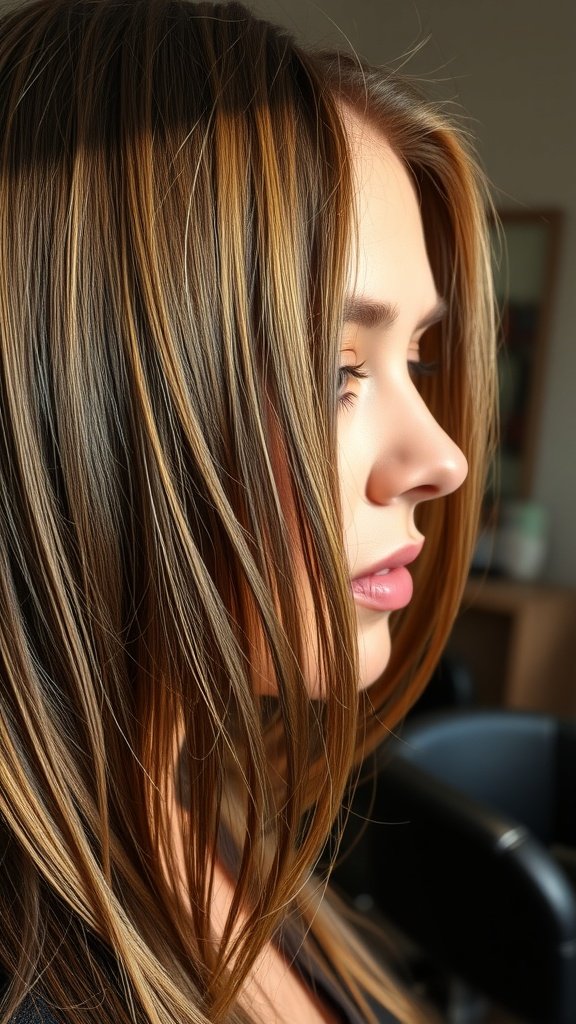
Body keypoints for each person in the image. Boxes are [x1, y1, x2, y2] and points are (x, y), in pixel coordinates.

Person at [0, 0, 497, 1021]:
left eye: (418, 356)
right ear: (78, 401)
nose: (441, 458)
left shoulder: (206, 818)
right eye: (331, 368)